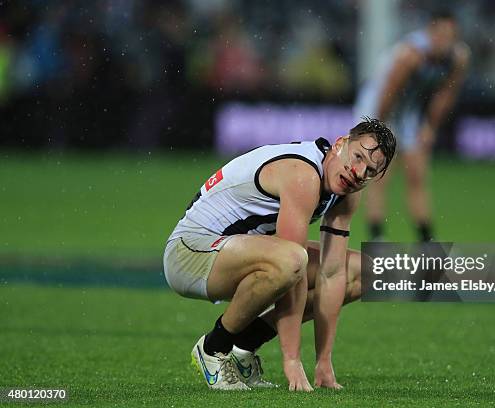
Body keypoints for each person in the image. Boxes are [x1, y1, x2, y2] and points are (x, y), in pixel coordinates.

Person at [163, 118, 396, 391]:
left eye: (369, 170)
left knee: (366, 271)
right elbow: (292, 270)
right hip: (189, 253)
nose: (358, 171)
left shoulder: (346, 188)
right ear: (340, 144)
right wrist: (292, 359)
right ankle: (214, 348)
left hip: (241, 251)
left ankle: (243, 348)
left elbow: (332, 273)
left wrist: (323, 362)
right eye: (357, 156)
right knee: (292, 260)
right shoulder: (303, 174)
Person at [355, 11, 470, 242]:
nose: (444, 42)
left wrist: (429, 126)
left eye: (449, 37)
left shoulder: (459, 57)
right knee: (379, 173)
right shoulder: (411, 56)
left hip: (410, 109)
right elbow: (388, 91)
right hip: (379, 105)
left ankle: (426, 239)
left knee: (417, 173)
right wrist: (379, 130)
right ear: (430, 33)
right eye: (439, 35)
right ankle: (378, 237)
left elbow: (445, 94)